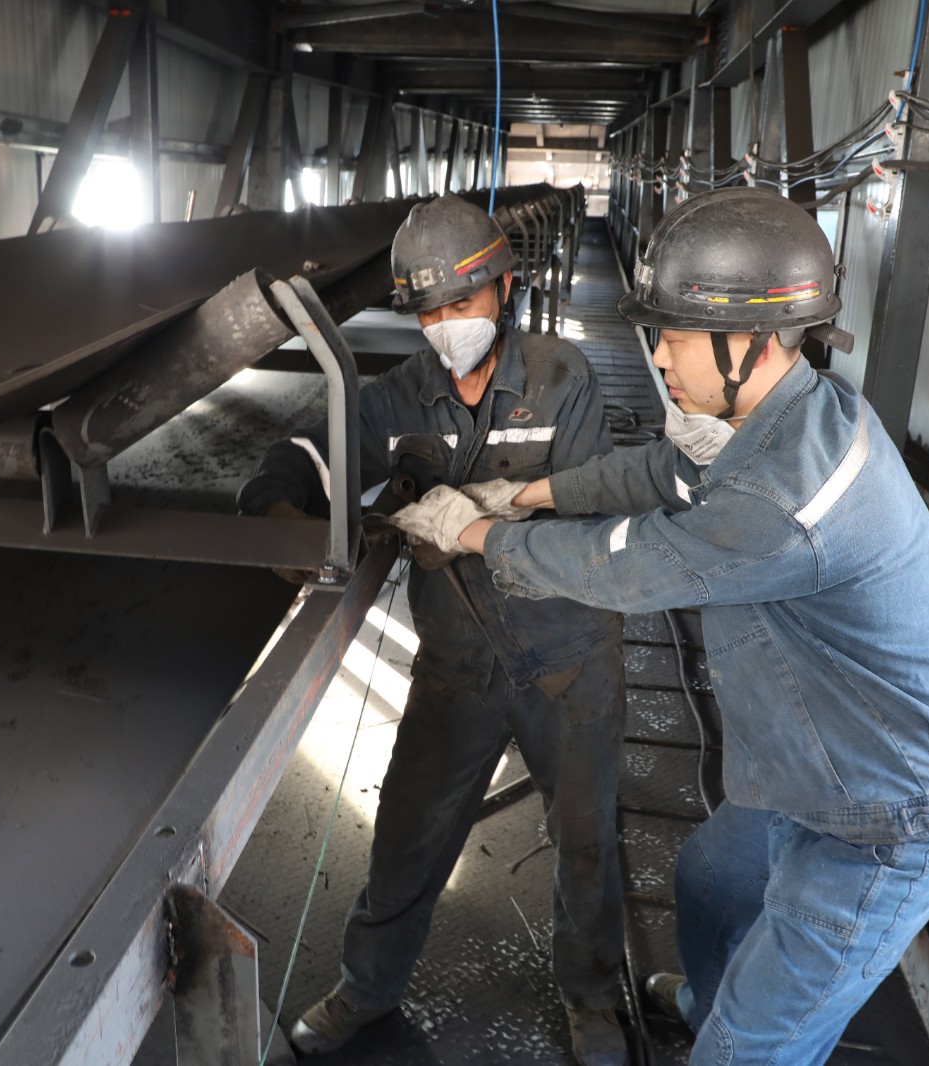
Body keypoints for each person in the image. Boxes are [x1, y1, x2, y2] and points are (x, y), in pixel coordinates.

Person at [390, 187, 929, 1066]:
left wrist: (478, 534)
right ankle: (709, 1002)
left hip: (887, 812)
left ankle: (733, 1035)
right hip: (814, 759)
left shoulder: (785, 500)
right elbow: (657, 475)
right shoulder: (786, 416)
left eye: (674, 337)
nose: (659, 358)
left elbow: (629, 564)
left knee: (753, 1045)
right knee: (709, 879)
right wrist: (525, 493)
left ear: (751, 341)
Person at [238, 193, 631, 1066]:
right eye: (428, 311)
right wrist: (279, 511)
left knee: (585, 842)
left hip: (568, 659)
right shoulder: (401, 397)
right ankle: (367, 988)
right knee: (407, 837)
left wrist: (485, 519)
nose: (447, 325)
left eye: (463, 302)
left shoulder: (562, 378)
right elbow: (310, 450)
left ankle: (593, 997)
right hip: (457, 664)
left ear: (505, 288)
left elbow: (593, 518)